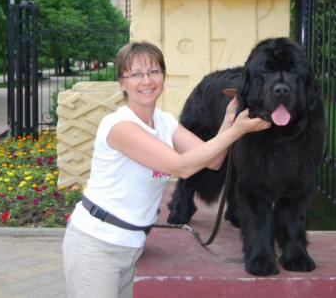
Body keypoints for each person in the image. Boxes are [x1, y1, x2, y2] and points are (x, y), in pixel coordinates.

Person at [61, 41, 271, 298]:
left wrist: (228, 122)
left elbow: (212, 161)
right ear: (122, 83)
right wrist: (238, 130)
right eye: (135, 74)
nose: (146, 80)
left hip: (131, 244)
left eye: (153, 71)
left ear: (162, 75)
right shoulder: (118, 126)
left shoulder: (164, 121)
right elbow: (182, 167)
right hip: (96, 245)